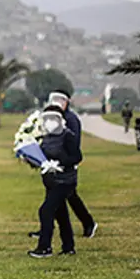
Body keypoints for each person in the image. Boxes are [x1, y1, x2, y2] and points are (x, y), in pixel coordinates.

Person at [29, 105, 82, 257]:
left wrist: (61, 162)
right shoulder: (45, 138)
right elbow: (42, 157)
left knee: (45, 211)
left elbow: (77, 157)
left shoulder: (68, 136)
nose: (50, 122)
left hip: (65, 182)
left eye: (53, 119)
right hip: (51, 181)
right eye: (47, 119)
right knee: (61, 214)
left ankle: (44, 247)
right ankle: (68, 247)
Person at [47, 90, 97, 238]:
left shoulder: (71, 119)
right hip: (53, 164)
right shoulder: (51, 118)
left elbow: (74, 144)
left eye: (60, 100)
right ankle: (47, 228)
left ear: (66, 102)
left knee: (70, 196)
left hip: (67, 164)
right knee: (52, 197)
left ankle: (89, 223)